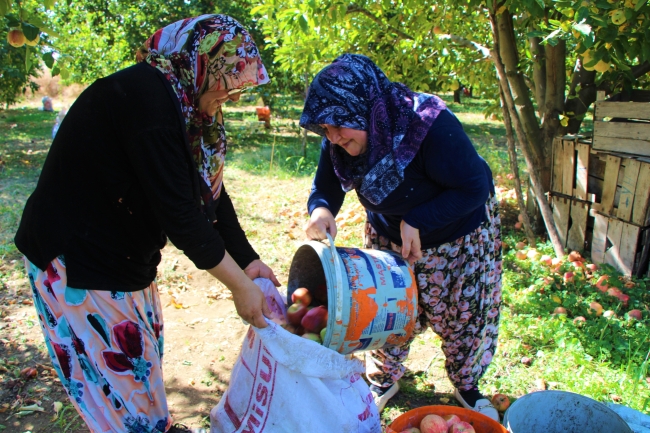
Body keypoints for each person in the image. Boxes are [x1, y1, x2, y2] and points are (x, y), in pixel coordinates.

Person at [14, 15, 278, 433]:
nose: (232, 94)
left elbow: (209, 191)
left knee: (138, 368)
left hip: (120, 252)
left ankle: (154, 424)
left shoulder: (186, 103)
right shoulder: (149, 100)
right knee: (121, 384)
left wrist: (248, 261)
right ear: (203, 64)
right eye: (229, 80)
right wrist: (240, 287)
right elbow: (183, 216)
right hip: (78, 258)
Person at [300, 54, 502, 421]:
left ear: (363, 107)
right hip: (388, 233)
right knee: (382, 312)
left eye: (338, 127)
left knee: (464, 315)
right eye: (325, 130)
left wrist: (419, 219)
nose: (333, 137)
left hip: (456, 235)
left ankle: (467, 383)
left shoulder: (428, 125)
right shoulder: (341, 133)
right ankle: (383, 378)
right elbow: (326, 185)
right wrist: (322, 210)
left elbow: (475, 186)